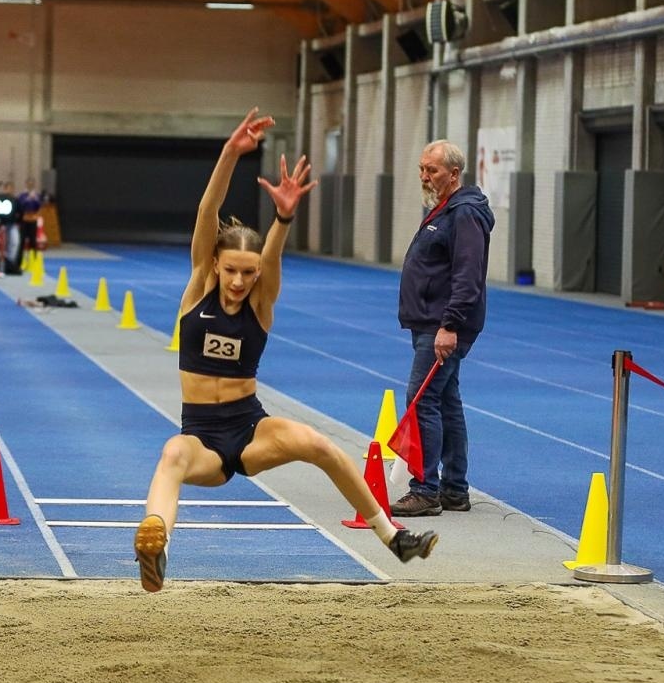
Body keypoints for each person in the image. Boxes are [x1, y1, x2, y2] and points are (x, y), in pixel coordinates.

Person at [133, 109, 439, 594]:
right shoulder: (198, 289)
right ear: (214, 263)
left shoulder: (259, 301)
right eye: (230, 270)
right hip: (203, 439)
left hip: (250, 428)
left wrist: (284, 217)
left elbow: (271, 257)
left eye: (247, 273)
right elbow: (207, 213)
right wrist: (231, 154)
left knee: (320, 444)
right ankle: (156, 545)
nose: (238, 281)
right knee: (171, 453)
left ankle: (393, 537)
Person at [389, 140, 495, 518]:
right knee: (446, 401)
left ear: (454, 173)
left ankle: (425, 489)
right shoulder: (446, 209)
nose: (424, 176)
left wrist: (449, 325)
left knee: (421, 400)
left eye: (431, 170)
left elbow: (468, 276)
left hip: (443, 326)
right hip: (432, 323)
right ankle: (453, 489)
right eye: (422, 168)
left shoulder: (464, 213)